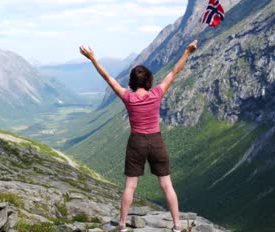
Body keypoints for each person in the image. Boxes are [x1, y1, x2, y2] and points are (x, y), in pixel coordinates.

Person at [80, 40, 198, 232]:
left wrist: (92, 58)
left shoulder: (128, 97)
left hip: (136, 141)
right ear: (149, 80)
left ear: (132, 82)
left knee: (130, 186)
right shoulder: (157, 94)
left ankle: (122, 224)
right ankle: (177, 226)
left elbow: (108, 78)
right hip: (156, 140)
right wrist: (187, 52)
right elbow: (174, 72)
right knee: (167, 185)